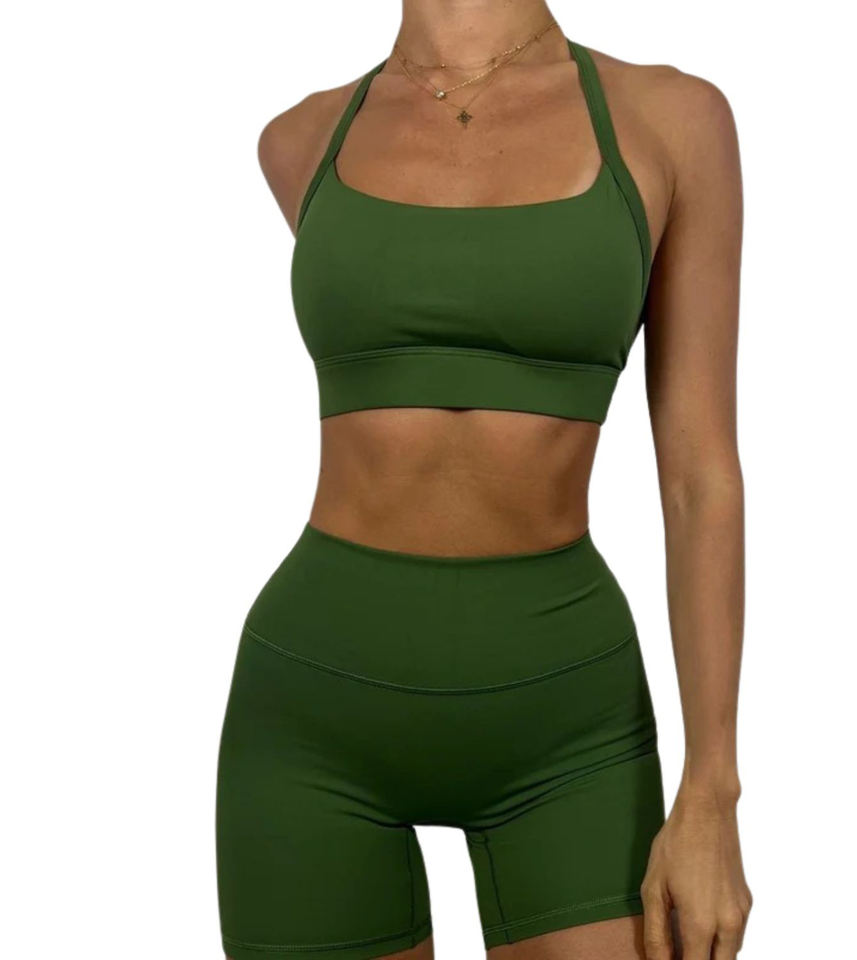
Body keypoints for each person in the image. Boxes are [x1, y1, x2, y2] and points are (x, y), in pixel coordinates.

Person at [216, 2, 751, 958]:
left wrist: (711, 789)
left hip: (568, 722)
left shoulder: (670, 121)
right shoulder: (301, 137)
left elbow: (699, 478)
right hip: (317, 709)